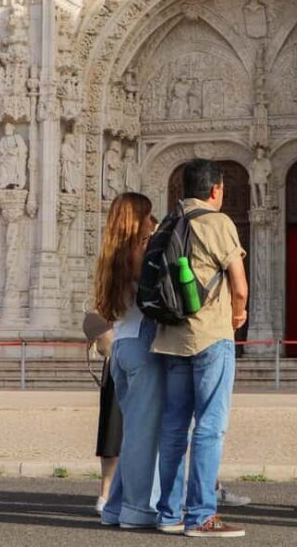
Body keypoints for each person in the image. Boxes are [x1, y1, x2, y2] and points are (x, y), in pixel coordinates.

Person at [152, 158, 249, 538]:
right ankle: (201, 516)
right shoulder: (217, 222)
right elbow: (239, 285)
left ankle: (169, 513)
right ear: (215, 189)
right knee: (210, 426)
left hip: (171, 338)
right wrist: (238, 315)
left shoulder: (168, 221)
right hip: (210, 335)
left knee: (174, 426)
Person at [94, 193, 166, 529]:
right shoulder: (138, 252)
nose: (152, 221)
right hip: (141, 343)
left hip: (121, 344)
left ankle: (115, 507)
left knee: (133, 432)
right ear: (136, 220)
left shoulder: (110, 254)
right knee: (145, 434)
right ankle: (141, 508)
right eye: (148, 216)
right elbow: (154, 293)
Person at [82, 313, 119, 516]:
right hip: (131, 351)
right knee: (115, 426)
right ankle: (107, 494)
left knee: (112, 426)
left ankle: (105, 494)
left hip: (119, 354)